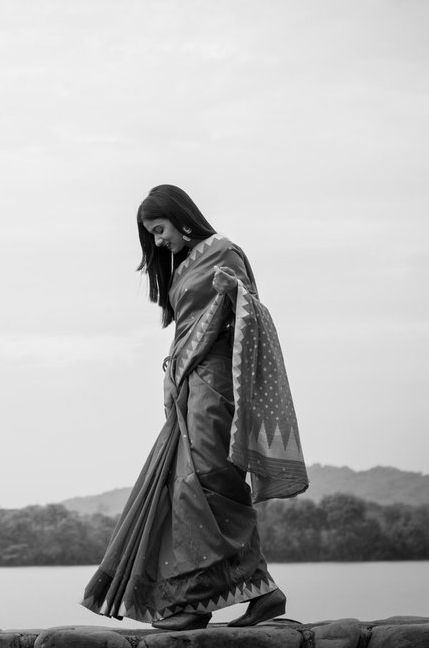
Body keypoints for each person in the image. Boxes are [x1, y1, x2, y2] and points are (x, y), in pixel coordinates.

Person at [80, 184, 308, 631]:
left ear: (181, 218)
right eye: (151, 235)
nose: (159, 241)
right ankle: (251, 593)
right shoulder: (184, 265)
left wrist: (233, 295)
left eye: (159, 230)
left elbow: (247, 309)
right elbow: (186, 328)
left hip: (217, 382)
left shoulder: (222, 252)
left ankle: (203, 602)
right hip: (191, 384)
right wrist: (172, 376)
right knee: (185, 490)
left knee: (207, 485)